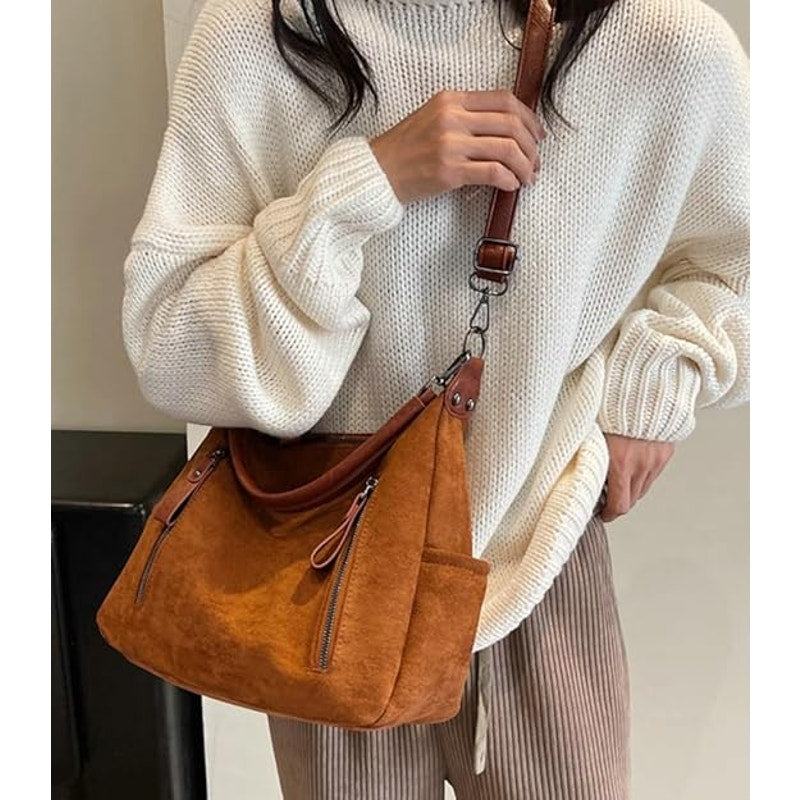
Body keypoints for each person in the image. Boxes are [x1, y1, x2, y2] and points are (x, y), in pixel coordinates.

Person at [120, 0, 749, 796]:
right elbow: (171, 341)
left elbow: (743, 257)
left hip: (539, 547)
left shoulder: (652, 41)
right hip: (325, 567)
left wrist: (656, 390)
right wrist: (363, 185)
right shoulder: (260, 34)